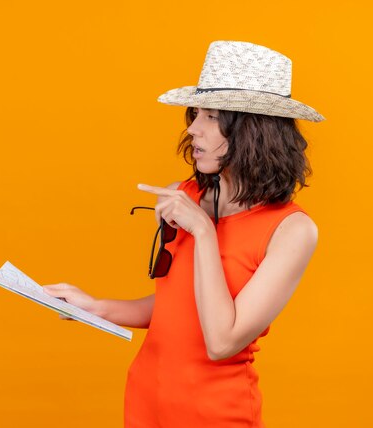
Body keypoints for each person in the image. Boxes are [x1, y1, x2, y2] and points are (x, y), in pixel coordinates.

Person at [43, 40, 325, 427]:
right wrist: (95, 307)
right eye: (195, 113)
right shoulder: (185, 196)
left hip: (216, 415)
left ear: (252, 131)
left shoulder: (292, 231)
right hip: (146, 401)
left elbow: (222, 340)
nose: (192, 128)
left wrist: (204, 232)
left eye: (210, 116)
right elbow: (178, 305)